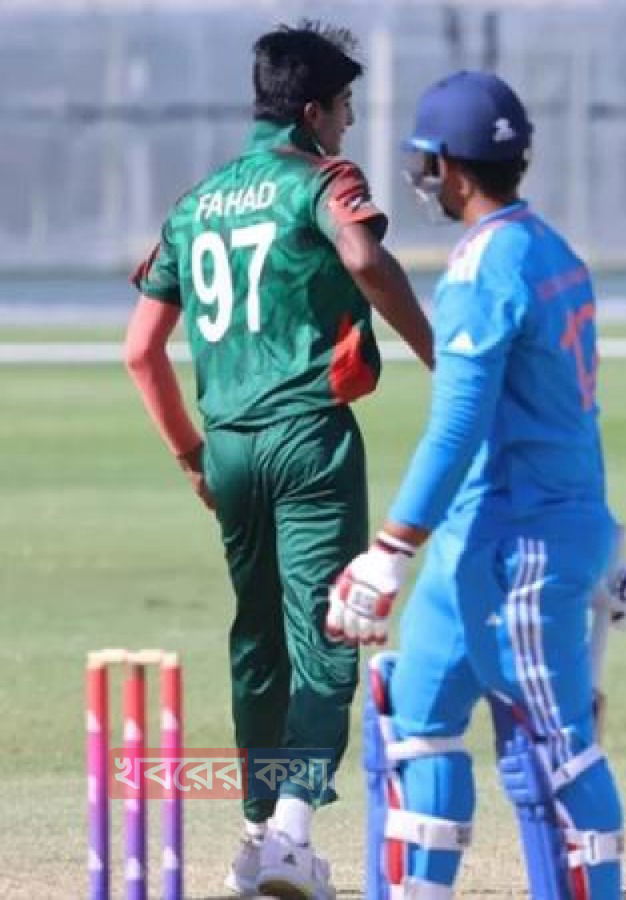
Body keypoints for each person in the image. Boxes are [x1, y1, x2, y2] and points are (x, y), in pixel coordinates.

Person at [123, 20, 433, 898]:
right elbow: (365, 257)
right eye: (343, 107)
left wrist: (191, 456)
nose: (349, 122)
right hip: (307, 438)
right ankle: (293, 836)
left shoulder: (197, 203)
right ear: (311, 111)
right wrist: (441, 354)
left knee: (258, 637)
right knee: (330, 630)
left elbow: (140, 350)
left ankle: (259, 836)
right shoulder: (322, 178)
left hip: (227, 446)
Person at [325, 70, 626, 900]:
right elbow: (570, 410)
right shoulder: (554, 250)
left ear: (453, 168)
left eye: (427, 162)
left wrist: (388, 551)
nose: (422, 178)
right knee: (412, 722)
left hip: (521, 548)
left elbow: (459, 425)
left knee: (557, 749)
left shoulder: (483, 269)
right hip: (482, 537)